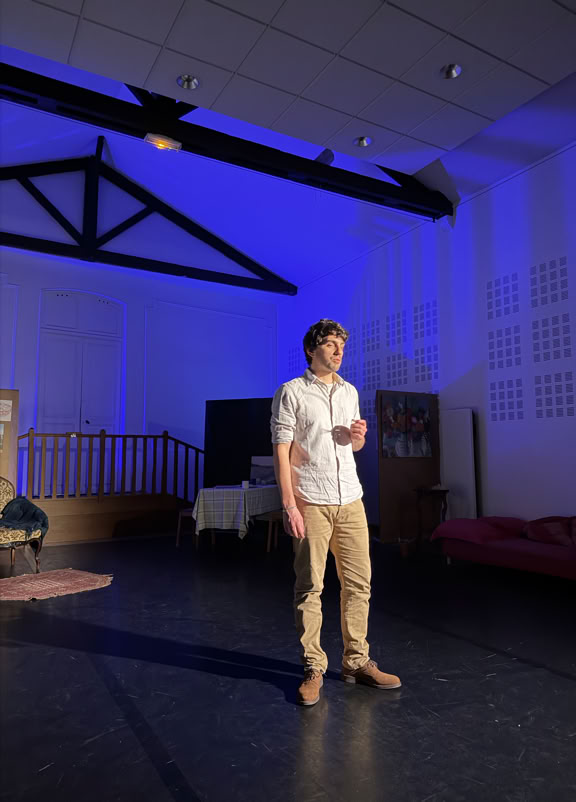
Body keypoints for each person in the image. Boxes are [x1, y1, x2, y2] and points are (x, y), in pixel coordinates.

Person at [271, 319, 401, 706]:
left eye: (342, 344)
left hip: (350, 500)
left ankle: (356, 662)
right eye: (330, 344)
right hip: (310, 500)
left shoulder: (349, 391)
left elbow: (352, 446)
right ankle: (313, 667)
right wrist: (289, 505)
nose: (339, 351)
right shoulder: (291, 392)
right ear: (311, 349)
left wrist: (357, 438)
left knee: (359, 585)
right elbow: (281, 451)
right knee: (310, 587)